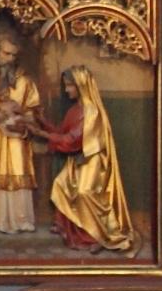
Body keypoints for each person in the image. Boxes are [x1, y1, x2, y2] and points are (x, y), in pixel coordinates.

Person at [40, 64, 134, 254]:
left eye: (70, 86)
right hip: (79, 159)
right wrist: (42, 122)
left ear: (81, 85)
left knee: (84, 192)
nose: (66, 90)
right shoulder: (75, 110)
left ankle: (98, 235)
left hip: (93, 161)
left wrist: (40, 133)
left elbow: (71, 140)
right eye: (66, 86)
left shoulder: (91, 111)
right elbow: (61, 132)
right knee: (60, 183)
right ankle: (67, 226)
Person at [0, 33, 40, 234]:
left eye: (14, 55)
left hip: (17, 142)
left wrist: (24, 124)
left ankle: (19, 220)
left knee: (17, 175)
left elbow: (34, 112)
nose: (10, 59)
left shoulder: (24, 82)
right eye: (6, 54)